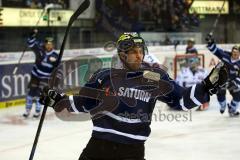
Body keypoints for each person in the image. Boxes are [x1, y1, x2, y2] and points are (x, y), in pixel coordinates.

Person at [40, 33, 228, 160]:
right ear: (122, 54)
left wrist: (206, 87)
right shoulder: (103, 76)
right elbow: (83, 104)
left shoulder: (154, 77)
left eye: (141, 51)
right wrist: (58, 100)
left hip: (132, 151)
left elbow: (181, 101)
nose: (139, 56)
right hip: (99, 148)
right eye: (133, 52)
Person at [23, 29, 59, 118]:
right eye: (47, 44)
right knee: (30, 93)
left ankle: (37, 112)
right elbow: (30, 43)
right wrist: (32, 35)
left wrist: (55, 63)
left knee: (39, 94)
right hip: (35, 75)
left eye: (50, 44)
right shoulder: (40, 49)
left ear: (53, 45)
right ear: (45, 44)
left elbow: (57, 68)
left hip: (45, 78)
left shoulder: (55, 55)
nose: (48, 46)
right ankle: (27, 111)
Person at [206, 34, 240, 116]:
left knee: (238, 95)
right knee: (220, 94)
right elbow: (215, 50)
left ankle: (232, 109)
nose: (234, 54)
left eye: (237, 53)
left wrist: (237, 83)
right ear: (231, 52)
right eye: (233, 52)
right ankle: (223, 105)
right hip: (221, 79)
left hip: (232, 81)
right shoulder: (225, 56)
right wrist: (211, 43)